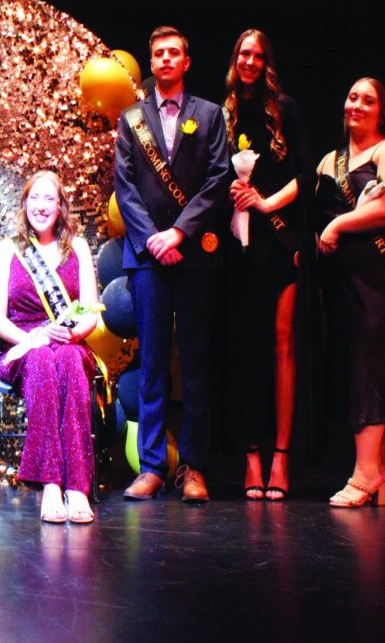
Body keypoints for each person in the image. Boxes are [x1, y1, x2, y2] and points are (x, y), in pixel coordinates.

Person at [114, 26, 231, 504]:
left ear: (186, 61)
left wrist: (179, 232)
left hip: (196, 251)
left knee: (198, 362)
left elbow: (218, 177)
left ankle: (196, 469)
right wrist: (155, 240)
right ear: (152, 61)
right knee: (152, 364)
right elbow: (125, 186)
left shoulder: (210, 115)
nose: (165, 59)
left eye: (173, 53)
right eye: (157, 53)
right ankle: (153, 468)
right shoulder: (130, 119)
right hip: (147, 256)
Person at [315, 77, 385, 508]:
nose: (357, 104)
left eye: (368, 99)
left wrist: (338, 225)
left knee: (370, 367)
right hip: (340, 279)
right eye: (352, 96)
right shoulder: (328, 159)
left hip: (380, 276)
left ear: (382, 109)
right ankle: (382, 472)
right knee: (353, 366)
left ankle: (366, 473)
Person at [223, 29, 316, 501]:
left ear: (268, 61)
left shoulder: (286, 109)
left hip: (280, 243)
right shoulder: (220, 113)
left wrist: (266, 203)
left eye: (260, 54)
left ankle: (281, 458)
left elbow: (308, 171)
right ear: (235, 58)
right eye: (245, 53)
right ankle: (250, 456)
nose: (251, 61)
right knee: (244, 351)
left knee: (282, 348)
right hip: (235, 246)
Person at [0, 171, 101, 524]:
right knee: (41, 361)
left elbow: (91, 312)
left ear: (61, 206)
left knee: (66, 359)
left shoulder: (78, 247)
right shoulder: (9, 249)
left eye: (49, 199)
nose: (41, 206)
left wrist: (72, 335)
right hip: (23, 347)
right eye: (34, 198)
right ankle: (51, 483)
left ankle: (77, 487)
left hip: (68, 343)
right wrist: (32, 339)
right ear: (24, 204)